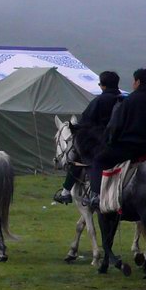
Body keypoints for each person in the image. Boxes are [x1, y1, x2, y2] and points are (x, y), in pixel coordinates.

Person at [87, 68, 146, 210]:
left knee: (99, 160)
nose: (133, 84)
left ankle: (96, 196)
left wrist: (110, 142)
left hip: (131, 149)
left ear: (138, 82)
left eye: (134, 81)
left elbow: (115, 126)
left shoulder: (129, 101)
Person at [52, 71, 123, 204]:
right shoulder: (124, 101)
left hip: (100, 143)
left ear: (103, 86)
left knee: (77, 158)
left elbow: (84, 122)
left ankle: (66, 192)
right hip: (123, 144)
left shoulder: (99, 101)